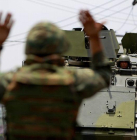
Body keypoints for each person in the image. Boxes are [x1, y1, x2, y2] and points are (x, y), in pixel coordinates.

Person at [0, 10, 111, 140]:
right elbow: (103, 74)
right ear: (62, 47)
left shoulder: (9, 81)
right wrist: (94, 37)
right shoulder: (74, 80)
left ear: (28, 47)